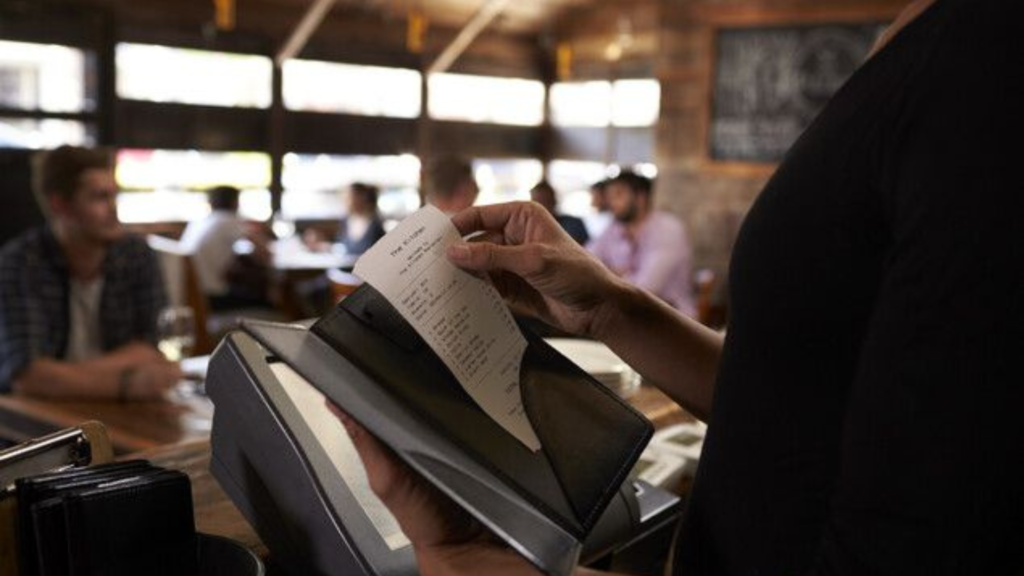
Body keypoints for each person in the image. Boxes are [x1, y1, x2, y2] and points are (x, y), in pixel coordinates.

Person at [329, 0, 1024, 574]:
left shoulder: (990, 61)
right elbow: (803, 401)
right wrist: (608, 306)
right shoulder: (936, 39)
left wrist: (461, 557)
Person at [0, 146, 181, 400]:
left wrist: (59, 376)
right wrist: (125, 384)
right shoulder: (21, 261)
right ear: (60, 205)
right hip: (39, 423)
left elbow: (153, 346)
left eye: (114, 196)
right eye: (99, 197)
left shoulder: (136, 254)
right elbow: (26, 377)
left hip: (117, 415)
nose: (113, 208)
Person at [588, 171, 695, 316]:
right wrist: (617, 273)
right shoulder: (615, 227)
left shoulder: (668, 229)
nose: (611, 203)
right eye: (609, 197)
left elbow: (646, 289)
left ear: (640, 198)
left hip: (671, 318)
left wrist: (607, 271)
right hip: (627, 314)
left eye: (618, 195)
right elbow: (586, 259)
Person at [179, 185, 271, 311]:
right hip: (212, 296)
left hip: (192, 294)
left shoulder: (200, 221)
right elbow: (265, 252)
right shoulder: (228, 219)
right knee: (269, 301)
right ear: (235, 202)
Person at [530, 180, 589, 245]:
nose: (542, 207)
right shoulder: (528, 230)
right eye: (538, 202)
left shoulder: (574, 225)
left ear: (554, 201)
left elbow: (588, 250)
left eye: (546, 201)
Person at [336, 182, 386, 255]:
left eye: (348, 197)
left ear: (362, 198)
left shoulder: (375, 225)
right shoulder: (346, 221)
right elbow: (342, 247)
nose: (345, 201)